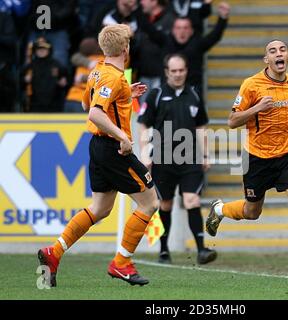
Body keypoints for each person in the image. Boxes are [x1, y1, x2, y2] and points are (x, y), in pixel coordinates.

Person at [37, 24, 160, 287]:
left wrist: (126, 95)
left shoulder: (98, 71)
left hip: (97, 145)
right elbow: (94, 113)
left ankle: (54, 252)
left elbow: (86, 103)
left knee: (101, 208)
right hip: (113, 148)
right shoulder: (113, 77)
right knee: (150, 203)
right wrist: (123, 137)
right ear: (125, 48)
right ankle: (122, 263)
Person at [205, 40, 288, 282]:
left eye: (282, 50)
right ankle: (219, 209)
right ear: (266, 60)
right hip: (258, 157)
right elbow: (232, 120)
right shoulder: (251, 85)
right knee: (252, 212)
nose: (278, 54)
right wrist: (257, 108)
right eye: (272, 51)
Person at [137, 53, 216, 265]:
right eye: (174, 71)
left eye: (181, 70)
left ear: (186, 70)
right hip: (163, 158)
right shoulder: (156, 94)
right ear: (166, 72)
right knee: (165, 204)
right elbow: (144, 123)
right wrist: (145, 152)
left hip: (190, 158)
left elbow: (201, 127)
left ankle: (201, 250)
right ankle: (164, 249)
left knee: (192, 200)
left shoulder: (195, 94)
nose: (178, 74)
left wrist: (205, 154)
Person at [137, 1, 230, 95]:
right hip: (167, 93)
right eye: (178, 28)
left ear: (191, 31)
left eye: (185, 28)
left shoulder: (197, 44)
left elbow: (215, 36)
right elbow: (147, 28)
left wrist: (222, 18)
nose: (182, 32)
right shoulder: (165, 41)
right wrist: (135, 8)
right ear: (173, 30)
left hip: (192, 93)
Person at [23, 37, 68, 112]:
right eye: (39, 49)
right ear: (35, 51)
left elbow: (66, 79)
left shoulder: (57, 65)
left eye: (44, 48)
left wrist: (64, 82)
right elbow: (20, 83)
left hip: (53, 105)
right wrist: (24, 80)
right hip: (34, 105)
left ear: (49, 50)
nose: (41, 51)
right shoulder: (30, 65)